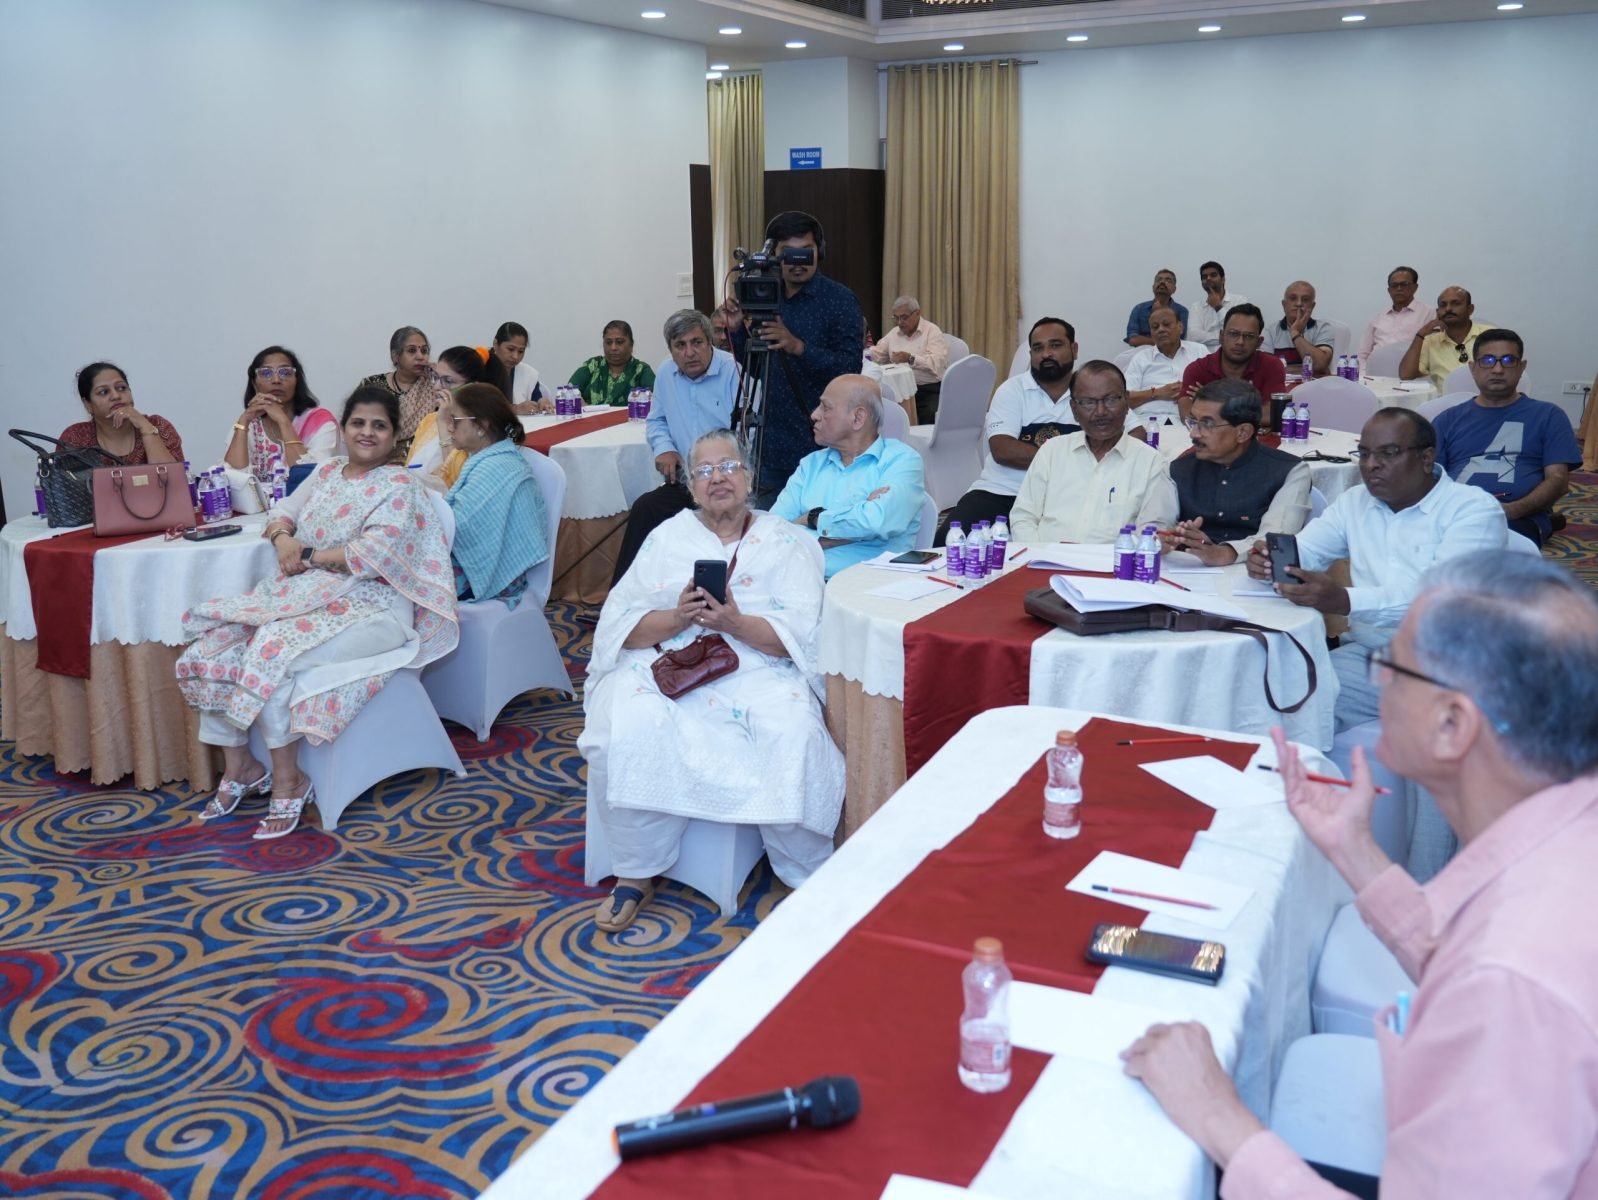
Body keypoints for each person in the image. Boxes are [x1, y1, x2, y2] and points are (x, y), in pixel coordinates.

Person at [1123, 552, 1598, 1199]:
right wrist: (1356, 853)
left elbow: (1500, 982)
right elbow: (1477, 961)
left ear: (1453, 723)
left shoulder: (1508, 987)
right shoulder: (1563, 841)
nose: (1376, 681)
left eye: (1392, 667)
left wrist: (1219, 1118)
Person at [579, 429, 845, 932]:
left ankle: (806, 872)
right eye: (704, 470)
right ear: (691, 486)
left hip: (757, 662)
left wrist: (734, 623)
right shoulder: (667, 538)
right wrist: (678, 617)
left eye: (728, 467)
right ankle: (636, 871)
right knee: (629, 723)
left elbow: (802, 639)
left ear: (749, 476)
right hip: (669, 661)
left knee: (792, 730)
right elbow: (619, 628)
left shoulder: (787, 542)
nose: (718, 478)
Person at [175, 387, 458, 840]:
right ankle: (241, 767)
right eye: (358, 423)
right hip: (306, 595)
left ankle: (290, 780)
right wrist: (282, 538)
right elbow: (282, 512)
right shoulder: (326, 472)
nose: (367, 433)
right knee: (216, 645)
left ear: (394, 436)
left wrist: (305, 554)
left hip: (374, 607)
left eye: (379, 425)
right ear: (343, 429)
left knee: (274, 651)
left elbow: (372, 554)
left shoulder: (400, 486)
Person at [1246, 407, 1507, 739]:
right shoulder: (1355, 502)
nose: (1371, 465)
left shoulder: (1473, 510)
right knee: (1266, 692)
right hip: (1369, 654)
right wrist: (1272, 562)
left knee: (1295, 707)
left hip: (1452, 666)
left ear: (1426, 457)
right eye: (1365, 453)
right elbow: (1308, 551)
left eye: (1389, 453)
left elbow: (1438, 603)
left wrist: (1344, 601)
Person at [732, 211, 864, 506]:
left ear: (820, 251)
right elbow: (757, 368)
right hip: (772, 444)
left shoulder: (840, 300)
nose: (797, 262)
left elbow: (851, 370)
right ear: (774, 256)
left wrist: (798, 347)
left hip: (824, 444)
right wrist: (737, 330)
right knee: (768, 525)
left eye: (806, 252)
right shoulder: (765, 294)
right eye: (788, 254)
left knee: (819, 525)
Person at [610, 310, 740, 586]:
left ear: (710, 341)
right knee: (645, 508)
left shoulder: (733, 370)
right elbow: (656, 420)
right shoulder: (666, 372)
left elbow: (750, 429)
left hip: (727, 480)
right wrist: (664, 448)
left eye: (697, 342)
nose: (689, 353)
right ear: (670, 350)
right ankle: (622, 596)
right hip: (687, 480)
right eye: (680, 345)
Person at [936, 318, 1080, 544]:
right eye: (1038, 348)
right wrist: (1075, 461)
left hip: (1067, 493)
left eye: (1055, 345)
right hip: (1002, 491)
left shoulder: (1091, 390)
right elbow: (1003, 450)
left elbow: (1133, 434)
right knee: (947, 543)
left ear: (1074, 349)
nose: (1046, 354)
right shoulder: (1012, 390)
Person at [1432, 328, 1581, 547]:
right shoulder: (1447, 420)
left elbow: (1558, 481)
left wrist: (1509, 511)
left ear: (1522, 367)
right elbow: (1431, 479)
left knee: (1483, 548)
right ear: (1472, 368)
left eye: (1508, 360)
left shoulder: (1548, 415)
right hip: (1455, 512)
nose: (1498, 369)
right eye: (1487, 361)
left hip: (1518, 517)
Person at [770, 374, 924, 577]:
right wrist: (854, 523)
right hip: (803, 581)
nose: (814, 415)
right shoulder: (811, 464)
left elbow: (876, 522)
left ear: (858, 418)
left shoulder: (902, 461)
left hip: (872, 585)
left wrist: (811, 518)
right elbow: (773, 529)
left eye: (826, 408)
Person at [1009, 360, 1176, 545]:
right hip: (1044, 558)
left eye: (1111, 399)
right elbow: (1023, 517)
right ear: (1074, 409)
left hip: (1112, 562)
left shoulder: (1152, 463)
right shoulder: (1052, 451)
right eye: (1088, 402)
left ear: (1126, 402)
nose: (1101, 411)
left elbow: (1151, 534)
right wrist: (1039, 554)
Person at [1160, 380, 1311, 566]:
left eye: (1206, 424)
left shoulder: (1290, 471)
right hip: (1186, 568)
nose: (1194, 434)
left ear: (1243, 433)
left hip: (1252, 573)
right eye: (1193, 422)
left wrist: (1228, 552)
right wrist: (1166, 538)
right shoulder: (1177, 468)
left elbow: (1276, 538)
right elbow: (1155, 523)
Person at [442, 383, 549, 609]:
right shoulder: (492, 458)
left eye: (455, 420)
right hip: (490, 568)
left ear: (481, 426)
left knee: (399, 577)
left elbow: (460, 527)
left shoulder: (496, 467)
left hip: (492, 576)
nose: (449, 427)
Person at [223, 346, 338, 480]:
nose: (276, 380)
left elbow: (310, 477)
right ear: (255, 384)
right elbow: (233, 478)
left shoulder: (320, 422)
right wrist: (243, 422)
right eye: (266, 373)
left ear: (297, 380)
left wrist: (283, 421)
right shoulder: (249, 424)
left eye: (285, 373)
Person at [406, 346, 509, 492]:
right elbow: (411, 466)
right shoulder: (429, 420)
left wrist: (443, 423)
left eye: (448, 381)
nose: (437, 387)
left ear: (472, 387)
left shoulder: (478, 426)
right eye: (436, 378)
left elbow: (460, 482)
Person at [1180, 304, 1289, 425]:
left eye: (1249, 336)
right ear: (1221, 336)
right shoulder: (1197, 369)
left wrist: (1214, 404)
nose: (1240, 342)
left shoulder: (1271, 366)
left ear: (1259, 342)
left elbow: (1274, 414)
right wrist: (1247, 408)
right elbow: (1187, 416)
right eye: (1233, 334)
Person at [59, 362, 184, 465]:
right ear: (87, 404)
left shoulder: (158, 426)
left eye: (121, 388)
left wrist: (146, 428)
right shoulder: (76, 438)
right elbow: (65, 486)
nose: (116, 396)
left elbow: (174, 482)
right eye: (103, 392)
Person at [359, 326, 448, 459]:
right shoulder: (371, 385)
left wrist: (443, 376)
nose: (420, 356)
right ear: (395, 356)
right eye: (412, 350)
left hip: (422, 463)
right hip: (374, 460)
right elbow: (358, 425)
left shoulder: (436, 387)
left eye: (424, 351)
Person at [1124, 307, 1208, 430]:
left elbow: (1218, 390)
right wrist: (1157, 393)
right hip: (1147, 422)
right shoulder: (1141, 358)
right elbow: (1124, 398)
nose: (1161, 329)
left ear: (1180, 327)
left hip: (1189, 423)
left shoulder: (1199, 351)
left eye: (1166, 324)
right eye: (1155, 327)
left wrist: (1200, 393)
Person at [869, 295, 950, 424]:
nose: (900, 322)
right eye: (896, 318)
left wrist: (910, 358)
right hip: (900, 390)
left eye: (904, 317)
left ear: (917, 313)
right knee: (880, 409)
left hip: (927, 389)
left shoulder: (932, 332)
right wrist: (863, 353)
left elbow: (936, 363)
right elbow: (878, 353)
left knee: (929, 412)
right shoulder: (894, 333)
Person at [1399, 286, 1494, 392]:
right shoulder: (1430, 341)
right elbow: (1406, 375)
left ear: (1470, 309)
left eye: (1456, 303)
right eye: (1443, 305)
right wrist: (1420, 334)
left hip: (1488, 398)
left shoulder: (1491, 335)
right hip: (1446, 400)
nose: (1448, 309)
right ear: (1437, 312)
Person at [1357, 265, 1434, 370]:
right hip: (1376, 374)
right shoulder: (1377, 318)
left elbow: (1434, 352)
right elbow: (1362, 354)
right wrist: (1364, 374)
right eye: (1394, 285)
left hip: (1412, 375)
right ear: (1389, 290)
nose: (1399, 289)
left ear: (1415, 287)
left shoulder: (1429, 314)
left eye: (1404, 284)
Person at [567, 319, 656, 408]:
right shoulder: (593, 366)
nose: (613, 348)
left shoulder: (641, 370)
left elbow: (657, 400)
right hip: (591, 417)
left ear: (631, 345)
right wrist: (583, 406)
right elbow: (569, 392)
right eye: (608, 343)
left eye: (619, 342)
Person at [1259, 280, 1335, 376]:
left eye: (1305, 299)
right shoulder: (1270, 331)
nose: (1299, 303)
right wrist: (1307, 368)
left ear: (1312, 306)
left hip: (1315, 384)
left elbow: (1319, 365)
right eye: (1293, 298)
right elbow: (1266, 368)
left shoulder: (1323, 328)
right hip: (1282, 384)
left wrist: (1295, 333)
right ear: (1284, 304)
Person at [491, 321, 551, 414]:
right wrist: (514, 409)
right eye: (511, 349)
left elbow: (537, 399)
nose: (515, 356)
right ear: (495, 344)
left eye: (521, 351)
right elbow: (477, 407)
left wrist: (542, 402)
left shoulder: (528, 373)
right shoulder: (480, 369)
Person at [1190, 260, 1247, 351]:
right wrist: (1227, 336)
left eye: (1213, 275)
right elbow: (1193, 336)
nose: (1208, 278)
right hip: (1205, 355)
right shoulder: (1196, 306)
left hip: (1234, 353)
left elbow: (1239, 328)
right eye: (1204, 277)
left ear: (1223, 279)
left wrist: (1218, 307)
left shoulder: (1239, 301)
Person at [1125, 268, 1189, 348]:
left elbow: (1180, 339)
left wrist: (1162, 312)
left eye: (1168, 280)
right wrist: (1162, 340)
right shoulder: (1139, 309)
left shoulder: (1182, 311)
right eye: (1159, 280)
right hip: (1142, 351)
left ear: (1174, 289)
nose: (1162, 282)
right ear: (1153, 287)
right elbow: (1133, 340)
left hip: (1172, 352)